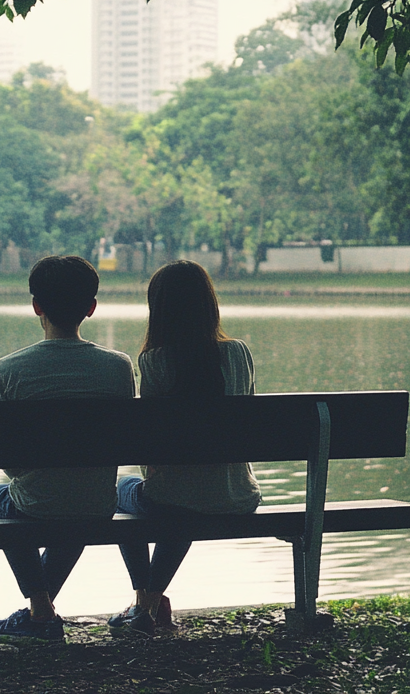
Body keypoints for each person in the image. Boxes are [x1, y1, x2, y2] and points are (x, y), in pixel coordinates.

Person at [0, 255, 136, 645]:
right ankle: (40, 612)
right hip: (97, 502)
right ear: (91, 309)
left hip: (39, 502)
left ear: (36, 306)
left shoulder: (9, 369)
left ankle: (41, 611)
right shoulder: (119, 366)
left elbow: (11, 465)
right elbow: (124, 441)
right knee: (79, 500)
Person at [110, 259, 261, 636]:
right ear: (210, 304)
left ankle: (144, 601)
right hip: (238, 495)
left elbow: (152, 449)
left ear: (158, 310)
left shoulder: (156, 361)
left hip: (179, 499)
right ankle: (146, 605)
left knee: (119, 494)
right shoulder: (239, 353)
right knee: (184, 498)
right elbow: (251, 423)